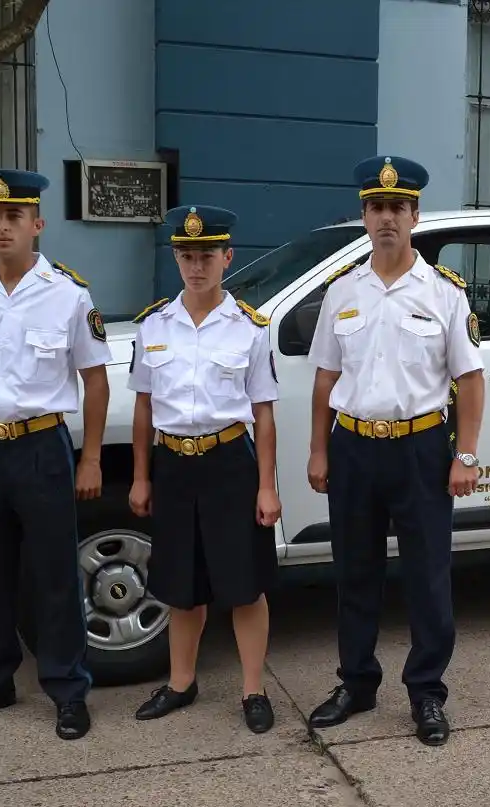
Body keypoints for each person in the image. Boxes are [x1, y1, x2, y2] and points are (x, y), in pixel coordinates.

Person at [304, 154, 486, 746]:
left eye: (398, 209)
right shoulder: (342, 292)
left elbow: (471, 379)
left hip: (421, 451)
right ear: (363, 215)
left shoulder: (443, 292)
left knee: (428, 577)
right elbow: (326, 379)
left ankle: (427, 694)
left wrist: (467, 455)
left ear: (415, 216)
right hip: (353, 447)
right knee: (354, 573)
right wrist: (318, 453)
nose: (387, 219)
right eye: (377, 208)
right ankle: (356, 684)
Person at [0, 169, 111, 741]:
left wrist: (92, 459)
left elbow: (96, 380)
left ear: (37, 224)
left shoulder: (69, 294)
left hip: (41, 448)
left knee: (54, 576)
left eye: (14, 218)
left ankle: (66, 687)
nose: (3, 227)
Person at [126, 205, 281, 734]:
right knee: (180, 584)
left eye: (207, 255)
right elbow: (144, 406)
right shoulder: (152, 327)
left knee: (244, 585)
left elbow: (263, 412)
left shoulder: (250, 328)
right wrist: (142, 476)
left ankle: (254, 690)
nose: (197, 266)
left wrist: (267, 487)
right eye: (187, 256)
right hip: (172, 465)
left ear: (226, 257)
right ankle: (180, 683)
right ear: (176, 258)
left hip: (229, 465)